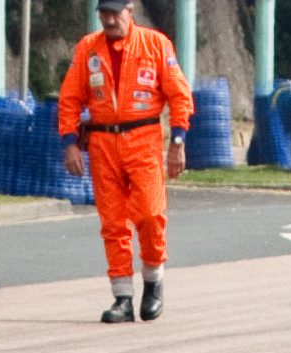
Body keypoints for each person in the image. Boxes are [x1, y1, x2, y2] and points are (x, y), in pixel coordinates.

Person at [58, 0, 194, 324]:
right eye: (103, 14)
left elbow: (179, 95)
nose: (108, 19)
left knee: (149, 213)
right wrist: (70, 144)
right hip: (103, 143)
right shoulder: (88, 50)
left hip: (143, 138)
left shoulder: (155, 44)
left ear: (130, 11)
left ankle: (153, 279)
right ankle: (122, 297)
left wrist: (177, 142)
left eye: (114, 13)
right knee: (113, 222)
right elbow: (70, 99)